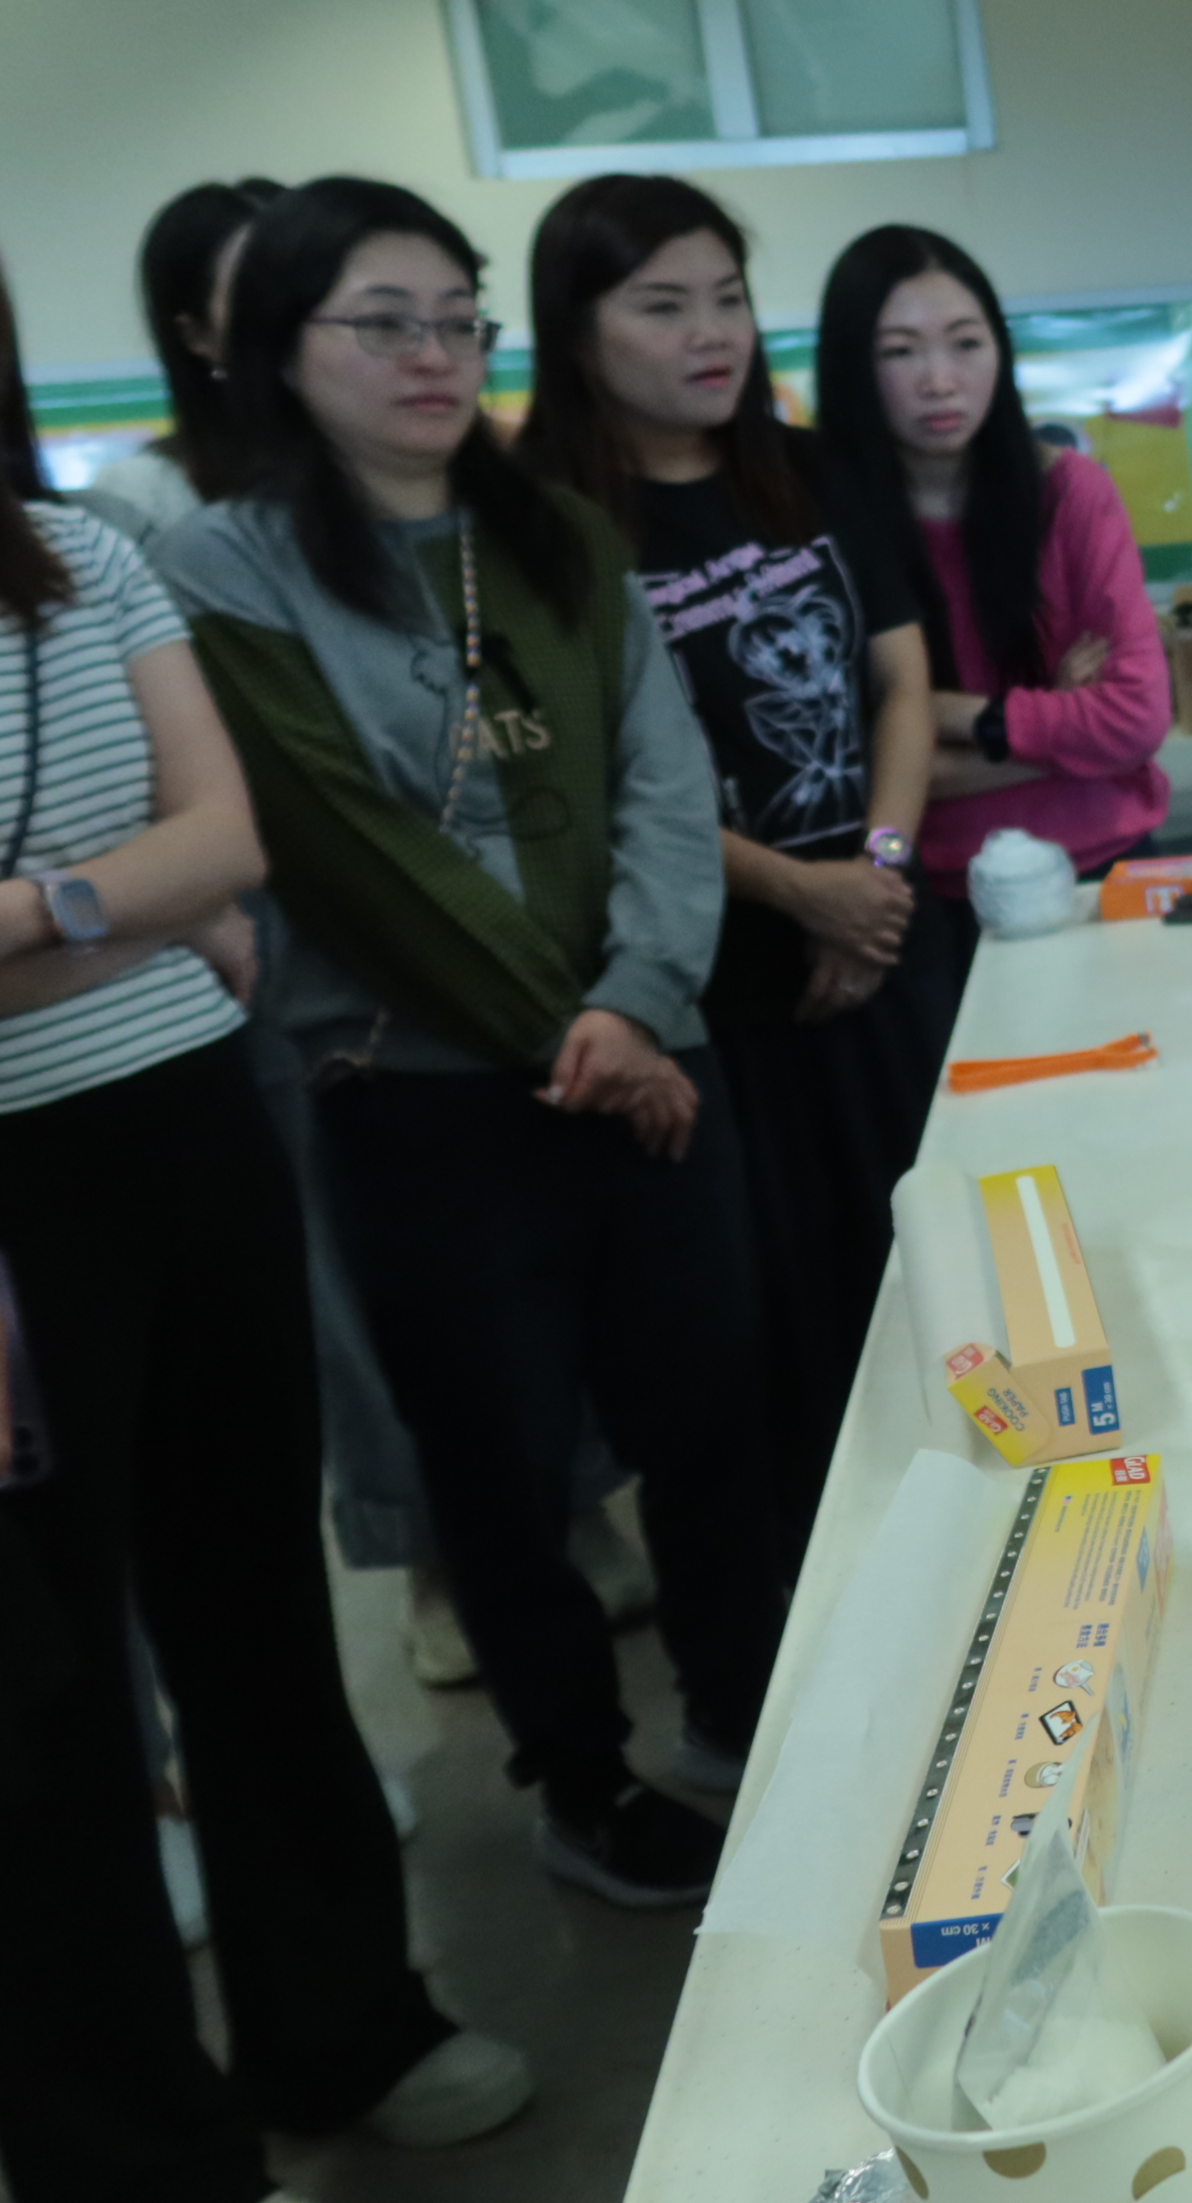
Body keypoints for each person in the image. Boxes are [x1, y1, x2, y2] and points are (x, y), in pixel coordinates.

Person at [156, 177, 794, 1905]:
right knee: (499, 1470)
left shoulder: (558, 533)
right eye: (383, 324)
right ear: (279, 349)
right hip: (426, 1098)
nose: (432, 355)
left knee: (709, 1419)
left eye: (457, 320)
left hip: (646, 1056)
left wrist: (637, 1003)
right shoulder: (226, 565)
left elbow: (664, 779)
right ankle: (580, 1781)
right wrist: (585, 1032)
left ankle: (745, 1717)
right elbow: (346, 845)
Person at [0, 257, 531, 2203]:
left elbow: (227, 842)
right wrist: (128, 902)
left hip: (178, 1124)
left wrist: (38, 913)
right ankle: (135, 2150)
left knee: (253, 1606)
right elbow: (179, 876)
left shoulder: (77, 555)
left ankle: (343, 2020)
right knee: (43, 1699)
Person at [515, 175, 944, 1531]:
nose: (711, 334)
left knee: (930, 1283)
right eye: (663, 306)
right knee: (767, 1341)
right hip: (708, 997)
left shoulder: (806, 472)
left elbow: (902, 684)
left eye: (729, 299)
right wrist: (806, 892)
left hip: (877, 956)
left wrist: (876, 874)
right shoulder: (543, 527)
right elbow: (591, 783)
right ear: (576, 332)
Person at [813, 225, 1170, 988]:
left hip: (1105, 880)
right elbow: (848, 778)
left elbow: (1138, 722)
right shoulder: (820, 526)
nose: (940, 380)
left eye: (966, 344)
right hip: (919, 903)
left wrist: (937, 716)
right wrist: (1059, 722)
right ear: (851, 365)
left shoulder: (1071, 492)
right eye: (900, 352)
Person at [74, 178, 281, 547]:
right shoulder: (143, 495)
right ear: (196, 335)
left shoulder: (371, 464)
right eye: (252, 296)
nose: (290, 318)